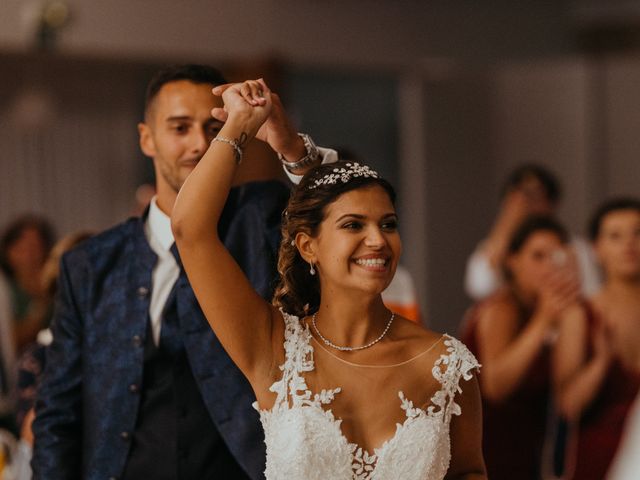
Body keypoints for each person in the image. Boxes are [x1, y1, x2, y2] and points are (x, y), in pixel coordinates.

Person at [32, 64, 335, 480]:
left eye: (213, 130)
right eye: (180, 128)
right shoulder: (89, 264)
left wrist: (291, 147)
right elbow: (58, 411)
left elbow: (339, 223)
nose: (199, 145)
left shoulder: (260, 218)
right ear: (147, 138)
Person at [172, 79, 486, 479]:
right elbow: (191, 228)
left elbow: (470, 472)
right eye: (353, 225)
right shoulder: (273, 350)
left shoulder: (446, 363)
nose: (378, 241)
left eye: (388, 224)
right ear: (308, 247)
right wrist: (240, 125)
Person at [460, 215, 580, 480]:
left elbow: (566, 393)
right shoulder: (502, 308)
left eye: (556, 256)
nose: (549, 266)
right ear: (513, 261)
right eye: (538, 256)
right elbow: (496, 387)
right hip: (490, 451)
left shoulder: (551, 309)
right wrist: (543, 322)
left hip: (529, 451)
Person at [553, 198, 640, 480]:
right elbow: (568, 406)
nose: (629, 244)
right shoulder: (581, 315)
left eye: (638, 233)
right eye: (615, 236)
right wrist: (601, 362)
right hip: (599, 460)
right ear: (596, 249)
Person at [464, 164, 600, 301]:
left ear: (551, 203)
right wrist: (506, 223)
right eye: (520, 196)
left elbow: (590, 292)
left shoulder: (574, 246)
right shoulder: (495, 246)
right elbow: (480, 288)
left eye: (537, 196)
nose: (527, 204)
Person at [0, 215, 56, 353]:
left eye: (37, 246)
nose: (32, 255)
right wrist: (41, 305)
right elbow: (10, 340)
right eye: (24, 248)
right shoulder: (5, 291)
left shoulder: (58, 288)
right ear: (9, 252)